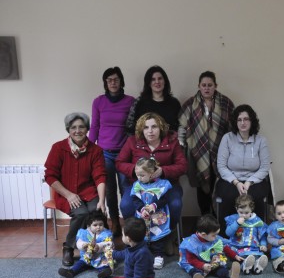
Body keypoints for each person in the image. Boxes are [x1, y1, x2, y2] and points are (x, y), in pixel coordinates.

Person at [116, 112, 187, 253]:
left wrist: (163, 171)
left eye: (154, 127)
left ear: (160, 128)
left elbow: (183, 166)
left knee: (175, 204)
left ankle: (166, 237)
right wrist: (136, 171)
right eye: (146, 127)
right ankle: (136, 238)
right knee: (126, 205)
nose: (150, 131)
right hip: (139, 186)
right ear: (141, 130)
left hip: (166, 187)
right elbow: (119, 162)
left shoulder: (172, 142)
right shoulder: (132, 142)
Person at [44, 112, 106, 267]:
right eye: (73, 127)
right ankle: (69, 247)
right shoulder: (58, 148)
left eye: (81, 127)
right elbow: (50, 176)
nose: (77, 131)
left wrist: (102, 200)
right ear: (68, 130)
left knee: (95, 211)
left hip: (88, 192)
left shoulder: (96, 150)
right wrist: (69, 195)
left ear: (87, 129)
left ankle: (96, 247)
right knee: (81, 213)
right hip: (65, 193)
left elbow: (100, 176)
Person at [179, 71, 235, 215]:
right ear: (199, 86)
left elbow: (233, 129)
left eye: (210, 85)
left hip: (221, 152)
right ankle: (205, 217)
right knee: (201, 184)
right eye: (203, 85)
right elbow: (182, 127)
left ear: (215, 86)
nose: (207, 88)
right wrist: (181, 146)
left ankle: (218, 218)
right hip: (198, 152)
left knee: (220, 185)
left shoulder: (226, 103)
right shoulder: (190, 104)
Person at [89, 66, 134, 236]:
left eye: (116, 79)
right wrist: (89, 148)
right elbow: (95, 126)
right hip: (104, 153)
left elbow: (133, 127)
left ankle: (128, 224)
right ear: (105, 83)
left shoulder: (131, 101)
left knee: (125, 188)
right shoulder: (98, 101)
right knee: (108, 190)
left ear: (121, 81)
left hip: (124, 153)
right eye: (109, 80)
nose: (113, 82)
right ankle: (114, 222)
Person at [79, 218, 155, 278]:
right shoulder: (131, 247)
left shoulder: (143, 253)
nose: (121, 236)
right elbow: (123, 254)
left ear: (128, 239)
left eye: (123, 234)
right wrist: (111, 253)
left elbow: (139, 277)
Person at [216, 104, 271, 230]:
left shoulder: (261, 141)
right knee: (230, 196)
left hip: (254, 180)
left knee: (254, 197)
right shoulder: (227, 138)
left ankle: (257, 234)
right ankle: (227, 234)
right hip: (230, 180)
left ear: (252, 121)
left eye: (246, 119)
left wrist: (249, 182)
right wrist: (236, 182)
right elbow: (221, 166)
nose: (242, 123)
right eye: (239, 120)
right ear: (235, 122)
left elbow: (264, 167)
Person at [178, 214, 243, 278]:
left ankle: (229, 275)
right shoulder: (192, 244)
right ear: (203, 235)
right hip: (196, 262)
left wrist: (235, 255)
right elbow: (191, 260)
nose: (216, 237)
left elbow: (224, 247)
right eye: (214, 235)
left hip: (211, 261)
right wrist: (202, 265)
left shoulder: (212, 237)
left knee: (219, 268)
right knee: (193, 269)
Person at [131, 157, 173, 270]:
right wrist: (142, 209)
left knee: (157, 234)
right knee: (142, 234)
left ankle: (158, 255)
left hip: (158, 216)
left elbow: (165, 199)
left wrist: (154, 205)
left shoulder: (162, 185)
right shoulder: (137, 185)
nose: (139, 178)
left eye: (142, 175)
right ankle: (144, 255)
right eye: (137, 175)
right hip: (143, 215)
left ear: (151, 173)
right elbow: (135, 199)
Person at [126, 65, 182, 134]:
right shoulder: (139, 102)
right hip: (144, 143)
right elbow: (129, 126)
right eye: (153, 79)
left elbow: (181, 127)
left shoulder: (174, 103)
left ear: (165, 81)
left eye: (160, 78)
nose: (157, 82)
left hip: (169, 143)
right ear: (148, 83)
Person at [58, 210, 114, 278]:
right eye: (95, 225)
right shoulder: (84, 233)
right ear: (89, 226)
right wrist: (83, 245)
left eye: (101, 224)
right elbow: (79, 242)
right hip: (86, 256)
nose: (98, 227)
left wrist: (99, 246)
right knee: (80, 263)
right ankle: (71, 272)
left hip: (99, 257)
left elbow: (109, 244)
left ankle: (103, 272)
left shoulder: (106, 234)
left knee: (104, 264)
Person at [225, 194, 269, 275]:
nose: (244, 215)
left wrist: (263, 245)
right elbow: (228, 233)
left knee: (255, 255)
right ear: (236, 209)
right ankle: (244, 265)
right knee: (235, 256)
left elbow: (262, 235)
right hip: (237, 245)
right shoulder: (234, 219)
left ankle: (257, 265)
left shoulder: (257, 220)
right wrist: (237, 223)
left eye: (246, 212)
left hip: (252, 246)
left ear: (251, 210)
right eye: (241, 212)